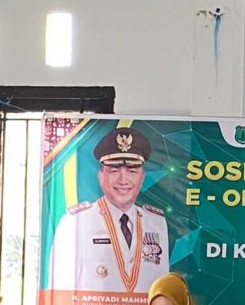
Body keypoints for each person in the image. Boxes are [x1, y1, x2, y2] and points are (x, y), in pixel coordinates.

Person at [48, 125, 169, 294]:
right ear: (100, 177)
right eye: (113, 170)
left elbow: (162, 288)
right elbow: (61, 291)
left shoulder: (156, 223)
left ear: (142, 178)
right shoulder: (75, 222)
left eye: (132, 171)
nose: (123, 180)